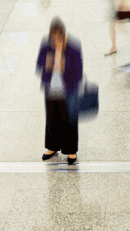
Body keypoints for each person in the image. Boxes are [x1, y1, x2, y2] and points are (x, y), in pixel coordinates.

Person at [36, 18, 83, 165]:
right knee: (52, 119)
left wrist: (65, 66)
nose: (55, 41)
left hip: (68, 91)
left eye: (58, 38)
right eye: (53, 38)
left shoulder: (73, 46)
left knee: (69, 121)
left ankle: (71, 150)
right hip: (51, 90)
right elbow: (38, 65)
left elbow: (79, 73)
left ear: (63, 35)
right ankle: (52, 147)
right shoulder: (46, 44)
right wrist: (46, 65)